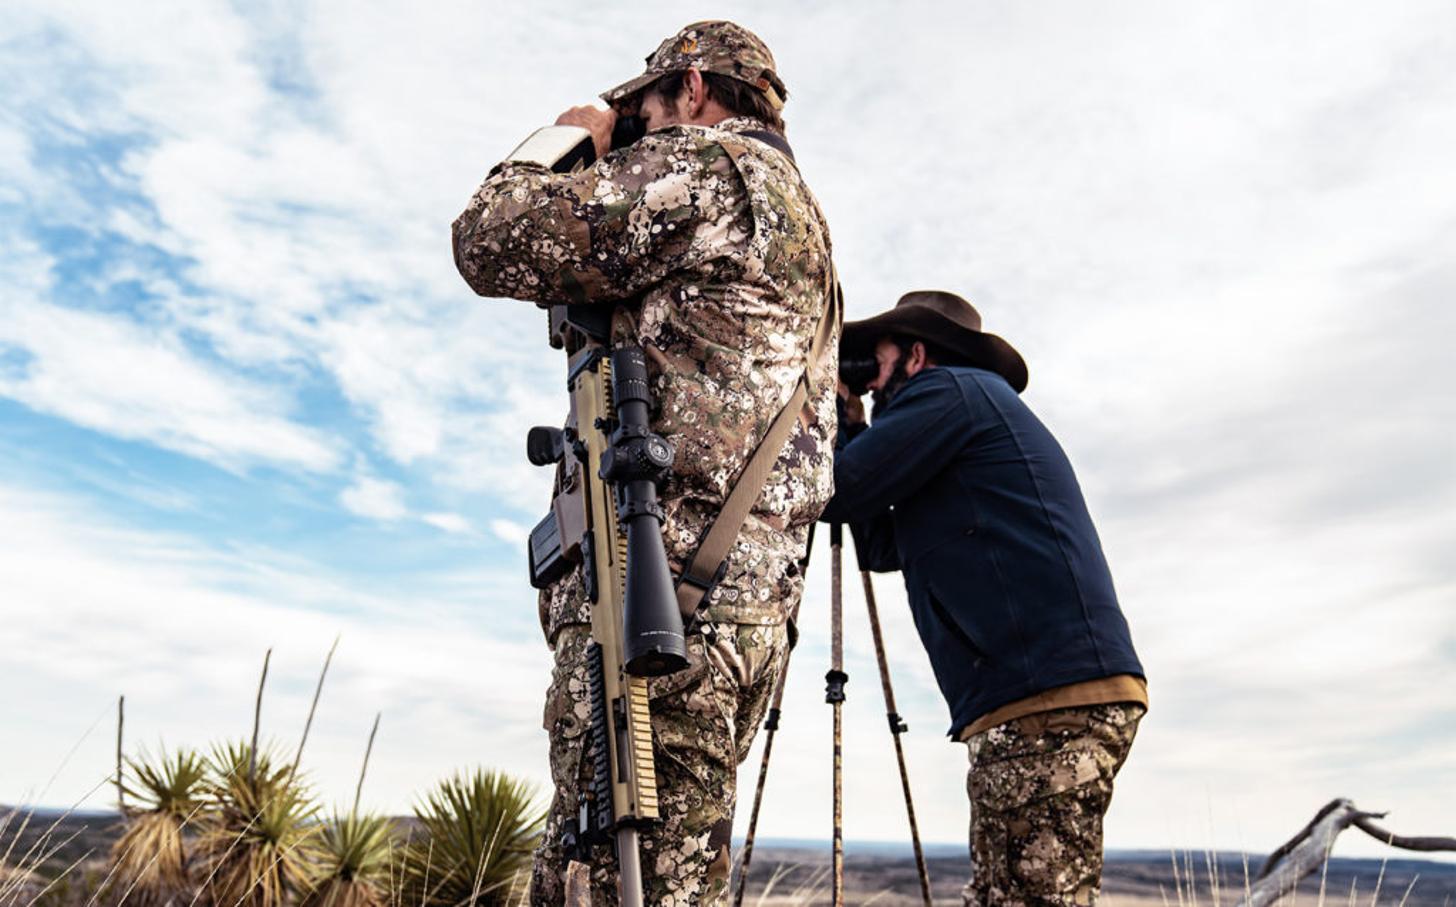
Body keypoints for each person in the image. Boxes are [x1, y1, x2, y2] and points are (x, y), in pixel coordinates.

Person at [451, 21, 837, 905]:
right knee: (663, 878)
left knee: (607, 880)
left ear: (693, 89)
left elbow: (489, 238)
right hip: (736, 614)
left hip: (661, 611)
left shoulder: (710, 168)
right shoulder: (802, 221)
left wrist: (568, 135)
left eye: (648, 110)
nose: (640, 135)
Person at [820, 290, 1147, 907]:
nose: (867, 373)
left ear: (916, 355)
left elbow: (835, 489)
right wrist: (851, 422)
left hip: (1046, 698)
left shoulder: (950, 393)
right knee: (1006, 895)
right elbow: (879, 545)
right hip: (1037, 697)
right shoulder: (954, 423)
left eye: (876, 358)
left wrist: (835, 420)